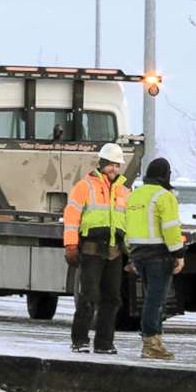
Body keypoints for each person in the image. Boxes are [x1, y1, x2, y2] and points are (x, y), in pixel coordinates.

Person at [62, 144, 131, 356]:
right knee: (89, 297)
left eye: (117, 165)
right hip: (91, 249)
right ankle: (80, 340)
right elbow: (72, 218)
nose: (114, 169)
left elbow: (128, 224)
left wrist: (130, 253)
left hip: (115, 251)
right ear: (101, 164)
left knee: (112, 299)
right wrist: (71, 245)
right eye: (111, 164)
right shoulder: (84, 187)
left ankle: (104, 342)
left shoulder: (124, 191)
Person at [121, 155, 185, 361]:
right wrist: (179, 254)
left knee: (151, 298)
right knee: (156, 301)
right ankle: (151, 343)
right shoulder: (164, 196)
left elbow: (126, 227)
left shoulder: (135, 196)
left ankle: (154, 341)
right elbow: (171, 229)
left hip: (139, 254)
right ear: (166, 175)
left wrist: (131, 254)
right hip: (159, 255)